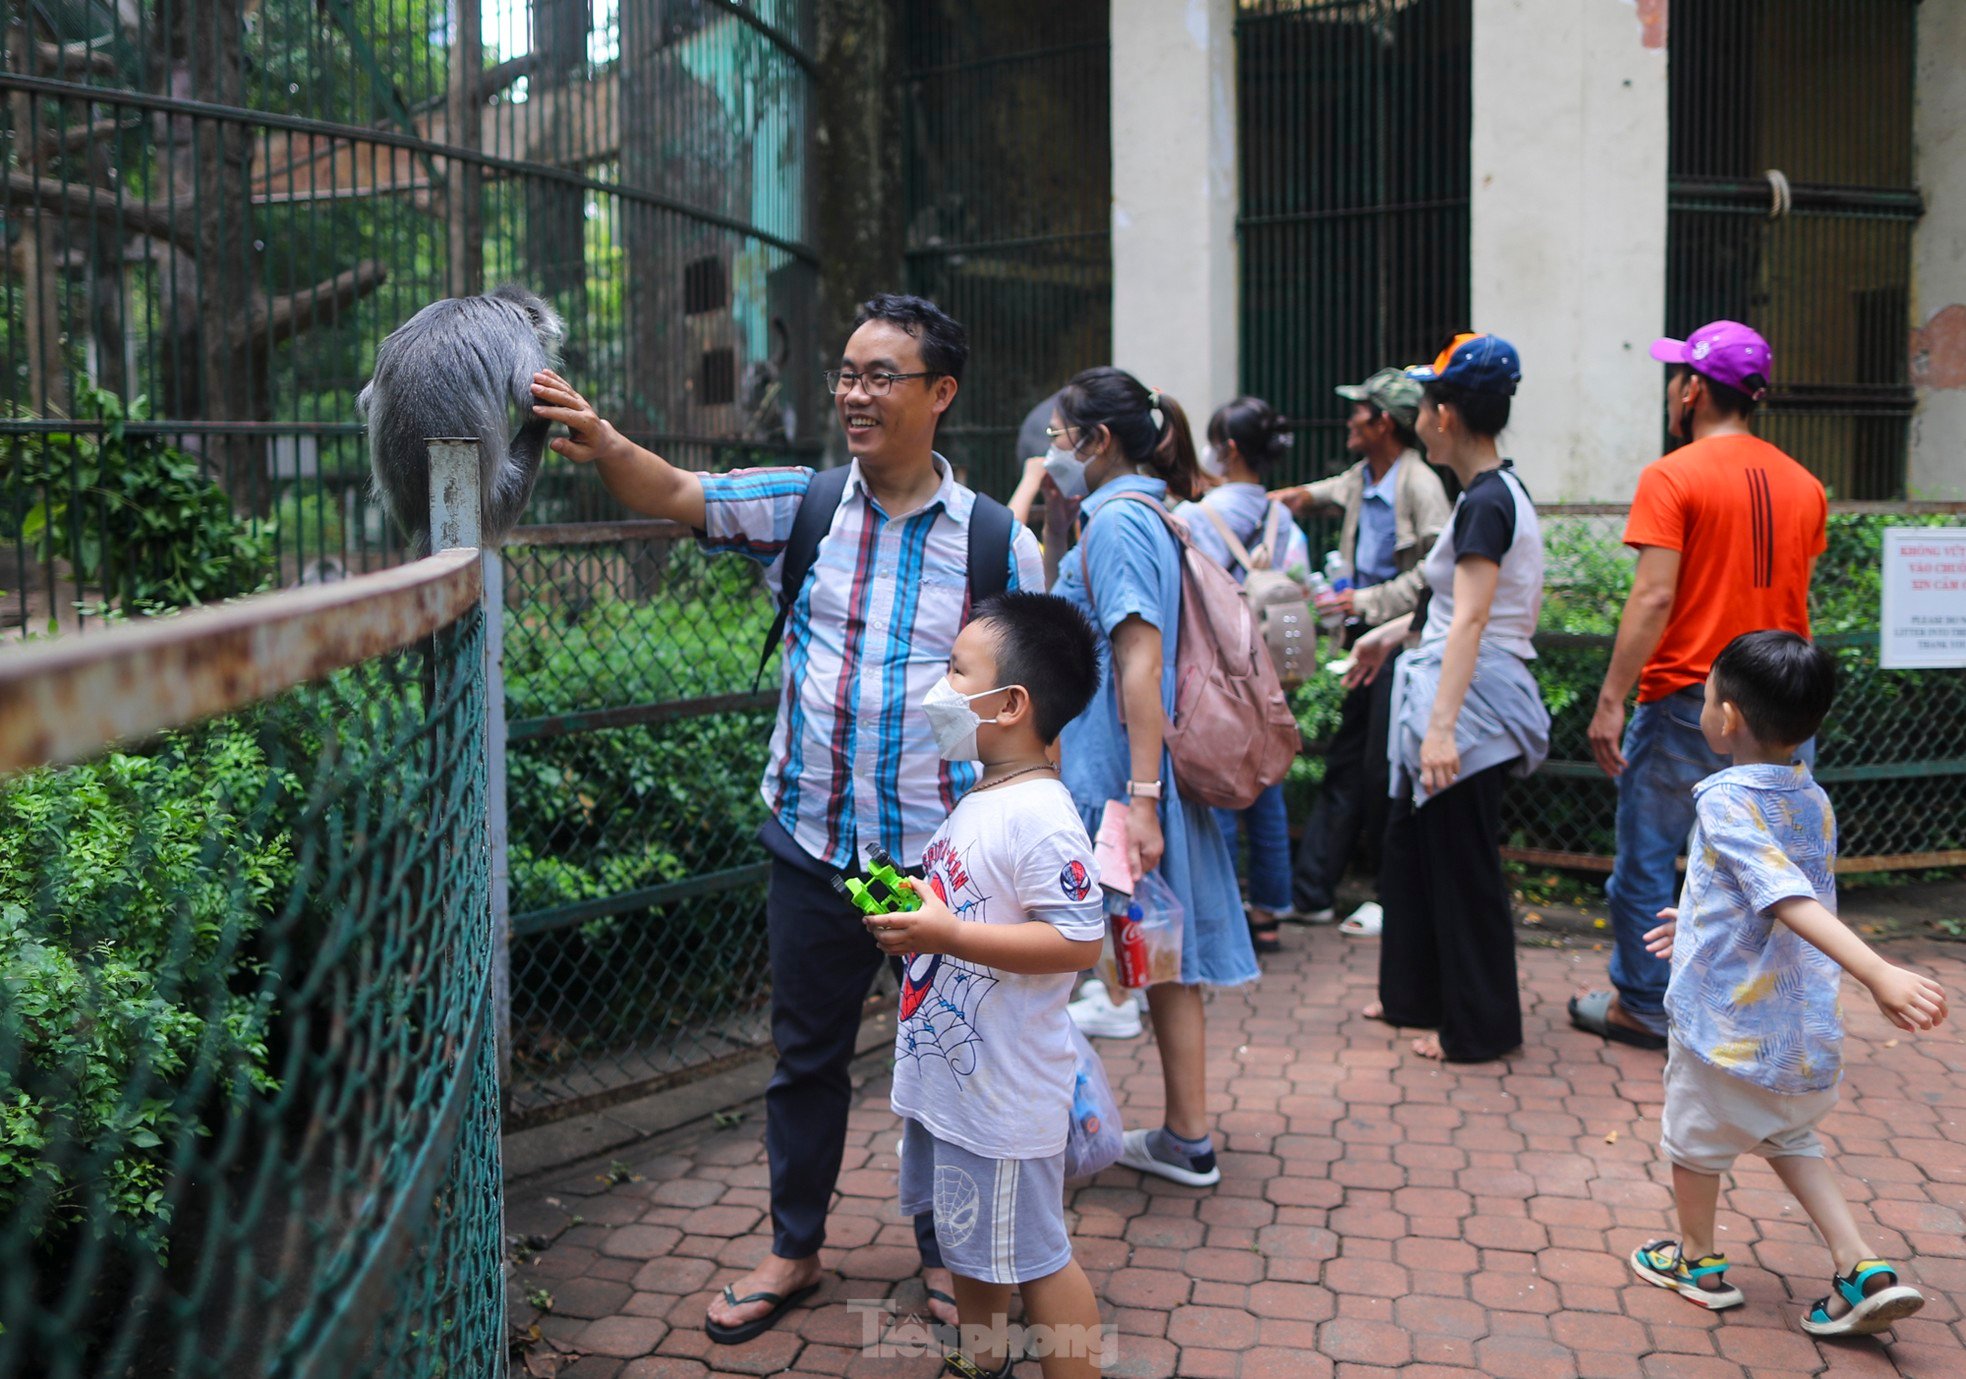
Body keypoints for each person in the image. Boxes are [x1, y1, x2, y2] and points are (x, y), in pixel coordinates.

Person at [529, 293, 1044, 1344]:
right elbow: (676, 490)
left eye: (880, 376)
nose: (855, 393)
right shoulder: (803, 505)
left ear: (939, 394)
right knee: (803, 1056)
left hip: (941, 864)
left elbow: (1025, 722)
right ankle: (794, 1245)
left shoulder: (999, 545)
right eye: (847, 373)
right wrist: (606, 438)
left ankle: (951, 1256)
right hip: (813, 844)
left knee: (953, 1059)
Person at [1628, 631, 1945, 1337]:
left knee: (1693, 1144)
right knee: (1792, 1139)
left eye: (1706, 695)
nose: (1703, 707)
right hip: (1795, 1030)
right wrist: (1702, 914)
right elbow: (1767, 888)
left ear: (1728, 716)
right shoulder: (1810, 795)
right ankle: (1861, 1267)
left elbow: (1784, 897)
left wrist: (1877, 971)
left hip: (1726, 1031)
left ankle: (1698, 1261)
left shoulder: (1724, 798)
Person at [1571, 321, 1828, 1052]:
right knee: (1771, 867)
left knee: (1649, 859)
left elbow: (1653, 597)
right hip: (1782, 707)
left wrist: (1612, 698)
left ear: (1693, 390)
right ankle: (1756, 1008)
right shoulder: (1805, 484)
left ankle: (1645, 1007)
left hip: (1692, 696)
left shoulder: (1673, 474)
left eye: (1678, 378)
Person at [869, 591, 1107, 1379]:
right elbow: (970, 902)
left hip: (1005, 1098)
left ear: (1010, 704)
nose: (940, 687)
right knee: (972, 1237)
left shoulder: (1041, 813)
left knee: (1038, 1256)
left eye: (955, 669)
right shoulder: (985, 794)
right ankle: (983, 1360)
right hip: (961, 1087)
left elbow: (1078, 939)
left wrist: (949, 933)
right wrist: (918, 913)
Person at [1040, 366, 1259, 1185]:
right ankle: (1185, 1138)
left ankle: (1042, 1143)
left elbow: (1140, 658)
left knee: (1055, 956)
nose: (1056, 450)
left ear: (1098, 441)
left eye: (1063, 436)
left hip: (1120, 781)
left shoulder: (1119, 524)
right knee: (1159, 949)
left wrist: (1138, 800)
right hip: (1135, 776)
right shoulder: (1145, 515)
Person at [1346, 334, 1548, 1062]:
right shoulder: (1487, 496)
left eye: (1426, 402)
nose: (1418, 414)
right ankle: (1414, 997)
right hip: (1455, 693)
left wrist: (1441, 732)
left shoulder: (1488, 502)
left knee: (1461, 866)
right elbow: (1448, 610)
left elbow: (1470, 618)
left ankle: (1480, 1028)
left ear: (1447, 415)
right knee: (1414, 850)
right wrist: (1387, 637)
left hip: (1470, 708)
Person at [1270, 369, 1450, 933]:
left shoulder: (1421, 486)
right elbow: (1307, 496)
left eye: (1359, 412)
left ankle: (1387, 895)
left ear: (1384, 423)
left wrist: (1366, 601)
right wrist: (1246, 499)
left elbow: (1435, 573)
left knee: (1380, 771)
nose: (1349, 420)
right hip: (1360, 646)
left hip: (1401, 644)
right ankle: (1312, 891)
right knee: (1350, 765)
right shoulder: (1361, 478)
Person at [1173, 396, 1311, 954]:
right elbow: (1301, 584)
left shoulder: (1194, 517)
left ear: (1226, 449)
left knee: (1219, 784)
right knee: (1266, 785)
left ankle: (1223, 909)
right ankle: (1270, 912)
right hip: (1270, 673)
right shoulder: (1283, 518)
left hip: (1214, 672)